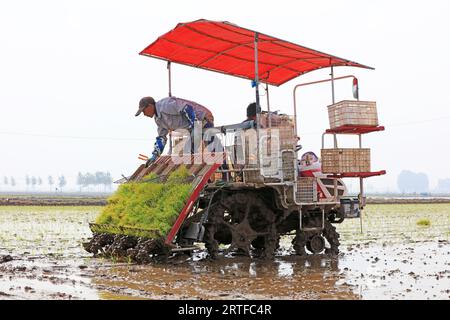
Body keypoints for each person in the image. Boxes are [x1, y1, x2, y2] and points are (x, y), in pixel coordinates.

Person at [135, 96, 214, 167]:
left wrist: (195, 126)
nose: (144, 114)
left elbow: (187, 108)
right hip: (191, 128)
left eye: (144, 111)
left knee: (212, 147)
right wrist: (155, 155)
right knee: (190, 154)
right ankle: (201, 176)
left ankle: (223, 174)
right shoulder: (158, 120)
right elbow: (161, 138)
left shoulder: (165, 105)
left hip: (202, 118)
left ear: (150, 106)